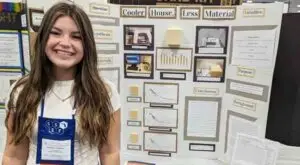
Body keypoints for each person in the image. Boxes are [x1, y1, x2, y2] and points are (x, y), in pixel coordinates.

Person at [2, 2, 121, 165]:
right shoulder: (22, 91)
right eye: (56, 33)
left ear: (87, 45)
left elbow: (110, 153)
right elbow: (14, 156)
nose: (65, 43)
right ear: (44, 38)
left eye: (76, 36)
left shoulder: (104, 92)